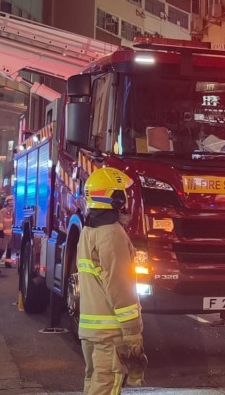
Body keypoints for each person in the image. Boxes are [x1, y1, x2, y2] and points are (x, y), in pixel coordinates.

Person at [77, 167, 146, 394]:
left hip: (91, 329)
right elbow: (120, 287)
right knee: (107, 386)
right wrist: (133, 334)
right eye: (121, 194)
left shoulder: (88, 231)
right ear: (113, 198)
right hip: (110, 331)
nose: (125, 199)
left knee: (94, 382)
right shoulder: (112, 233)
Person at [0, 195, 15, 268]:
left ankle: (8, 262)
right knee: (1, 249)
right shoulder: (3, 211)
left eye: (12, 200)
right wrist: (0, 232)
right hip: (4, 234)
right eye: (10, 201)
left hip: (12, 234)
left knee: (10, 249)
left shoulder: (14, 211)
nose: (11, 202)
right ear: (7, 202)